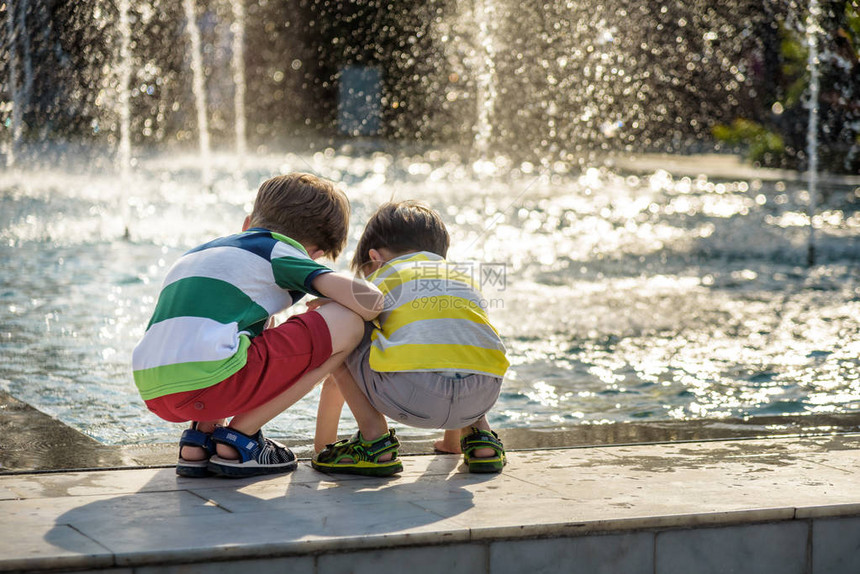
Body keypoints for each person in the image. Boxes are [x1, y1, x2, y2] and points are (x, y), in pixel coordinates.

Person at [132, 173, 383, 478]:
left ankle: (198, 441)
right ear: (314, 253)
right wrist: (334, 300)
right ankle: (241, 439)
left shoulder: (201, 251)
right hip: (211, 384)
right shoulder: (279, 250)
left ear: (247, 223)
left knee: (250, 322)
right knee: (349, 323)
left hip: (155, 390)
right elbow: (371, 302)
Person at [310, 200, 509, 476]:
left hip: (413, 398)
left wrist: (322, 448)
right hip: (482, 396)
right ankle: (480, 441)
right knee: (458, 337)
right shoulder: (463, 278)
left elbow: (335, 380)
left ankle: (373, 441)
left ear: (374, 258)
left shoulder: (381, 277)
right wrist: (450, 442)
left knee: (346, 326)